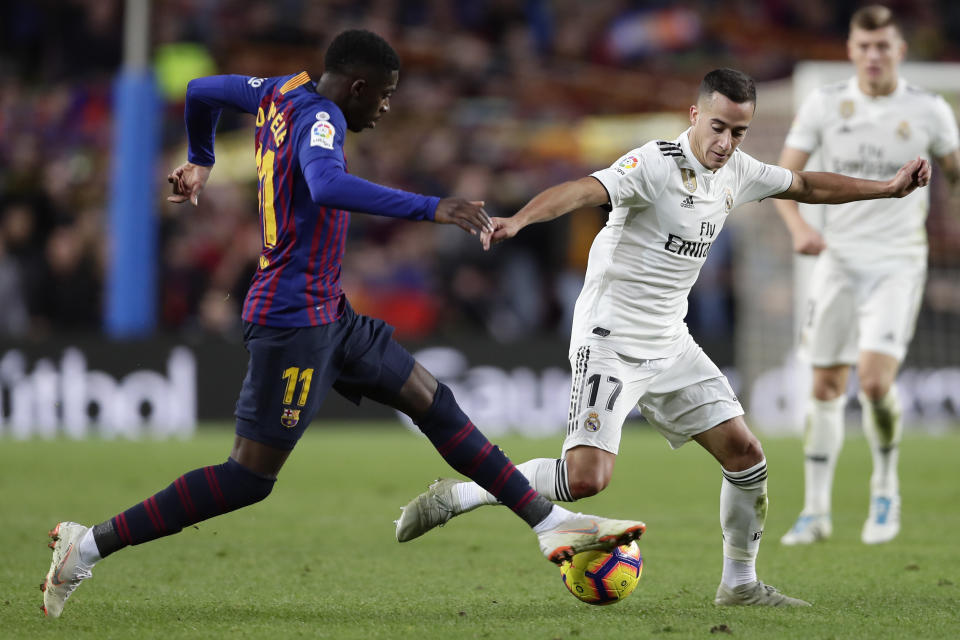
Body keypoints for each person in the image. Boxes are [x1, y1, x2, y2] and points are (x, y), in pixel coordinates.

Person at [41, 29, 646, 619]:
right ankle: (86, 545)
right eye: (383, 96)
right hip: (292, 321)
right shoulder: (322, 119)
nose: (385, 109)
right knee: (247, 479)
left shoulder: (276, 91)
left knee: (433, 402)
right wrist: (434, 207)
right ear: (357, 87)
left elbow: (201, 91)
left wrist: (200, 159)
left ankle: (547, 524)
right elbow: (326, 185)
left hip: (328, 310)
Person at [394, 67, 930, 607]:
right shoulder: (653, 163)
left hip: (671, 341)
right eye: (718, 127)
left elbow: (807, 184)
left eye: (738, 132)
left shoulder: (738, 171)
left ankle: (739, 584)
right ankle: (463, 493)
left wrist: (887, 188)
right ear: (695, 116)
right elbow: (585, 188)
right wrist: (522, 220)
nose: (726, 143)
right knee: (586, 480)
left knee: (746, 455)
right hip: (610, 336)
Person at [775, 6, 960, 547]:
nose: (874, 55)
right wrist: (797, 228)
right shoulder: (825, 102)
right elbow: (786, 177)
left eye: (884, 46)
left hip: (899, 259)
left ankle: (885, 489)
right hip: (837, 258)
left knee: (875, 382)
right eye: (864, 46)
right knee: (824, 385)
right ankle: (815, 510)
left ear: (900, 51)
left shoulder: (928, 110)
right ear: (851, 51)